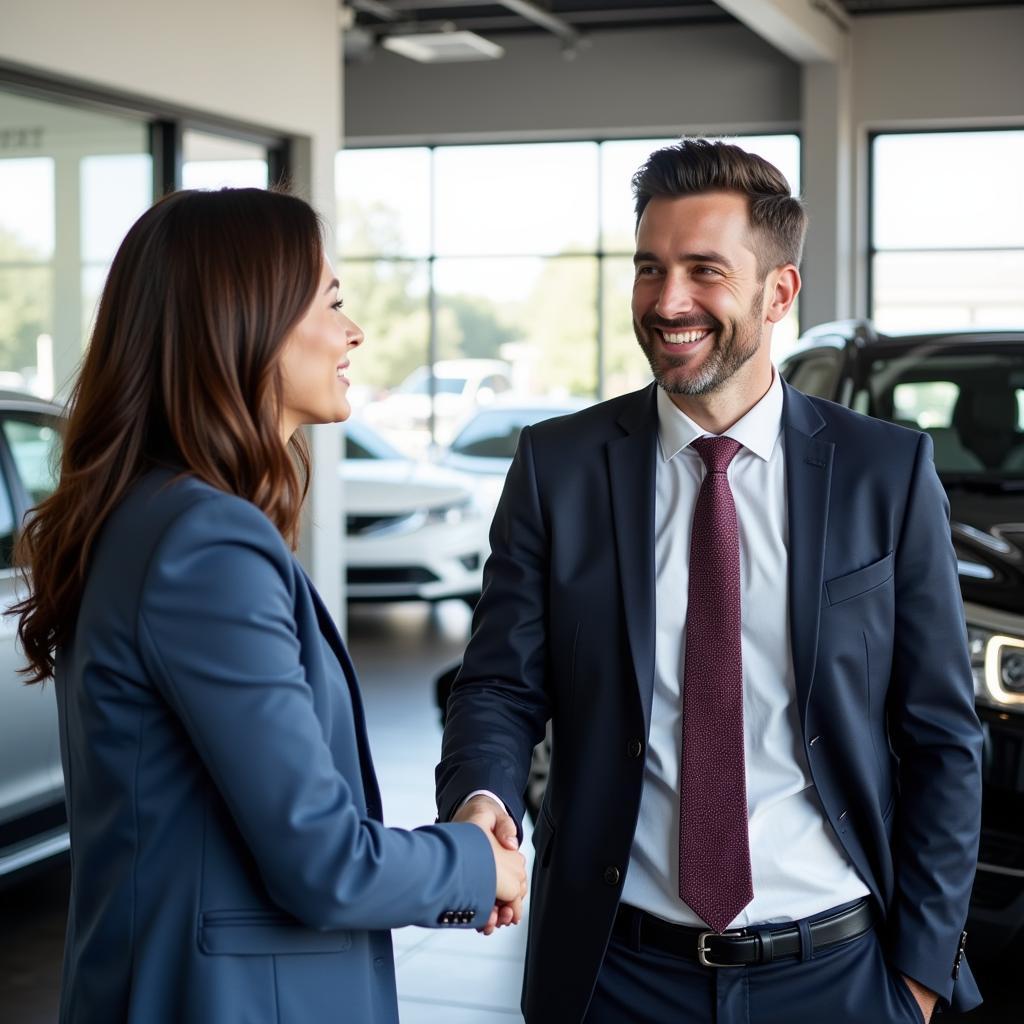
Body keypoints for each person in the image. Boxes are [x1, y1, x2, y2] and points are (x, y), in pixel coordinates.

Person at [437, 139, 983, 1024]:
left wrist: (918, 976)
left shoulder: (886, 472)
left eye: (703, 271)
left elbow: (942, 737)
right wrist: (481, 798)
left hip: (837, 974)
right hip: (616, 974)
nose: (667, 301)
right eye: (650, 269)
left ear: (779, 293)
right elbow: (499, 682)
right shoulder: (559, 467)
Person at [14, 187, 526, 1024]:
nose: (353, 331)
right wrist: (476, 865)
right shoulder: (204, 544)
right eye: (329, 302)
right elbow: (324, 861)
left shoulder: (154, 516)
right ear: (242, 324)